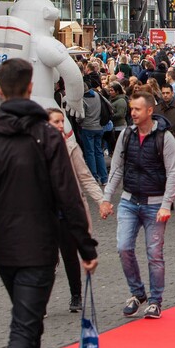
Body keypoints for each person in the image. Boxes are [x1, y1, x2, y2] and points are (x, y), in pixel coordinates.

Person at [0, 60, 97, 348]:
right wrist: (86, 247)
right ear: (31, 88)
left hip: (4, 249)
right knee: (24, 328)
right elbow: (68, 194)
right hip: (39, 248)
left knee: (29, 323)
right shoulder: (47, 136)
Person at [100, 89, 175, 319]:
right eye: (132, 109)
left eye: (137, 109)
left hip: (155, 203)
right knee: (123, 248)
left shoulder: (165, 137)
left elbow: (173, 173)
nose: (132, 113)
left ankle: (155, 300)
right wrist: (106, 198)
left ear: (149, 111)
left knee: (154, 254)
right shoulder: (126, 135)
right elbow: (116, 169)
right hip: (129, 200)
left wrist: (166, 204)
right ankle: (137, 293)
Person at [48, 108, 105, 313]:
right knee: (45, 258)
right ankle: (40, 300)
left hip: (66, 211)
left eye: (62, 121)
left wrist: (101, 200)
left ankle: (75, 295)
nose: (61, 125)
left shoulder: (70, 147)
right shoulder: (35, 148)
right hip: (44, 212)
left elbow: (85, 176)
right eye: (56, 122)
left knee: (69, 255)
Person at [80, 81, 107, 184]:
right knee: (99, 152)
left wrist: (79, 122)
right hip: (99, 127)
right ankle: (104, 177)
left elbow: (80, 116)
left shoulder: (82, 99)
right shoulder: (97, 95)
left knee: (90, 153)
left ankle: (94, 178)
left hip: (87, 127)